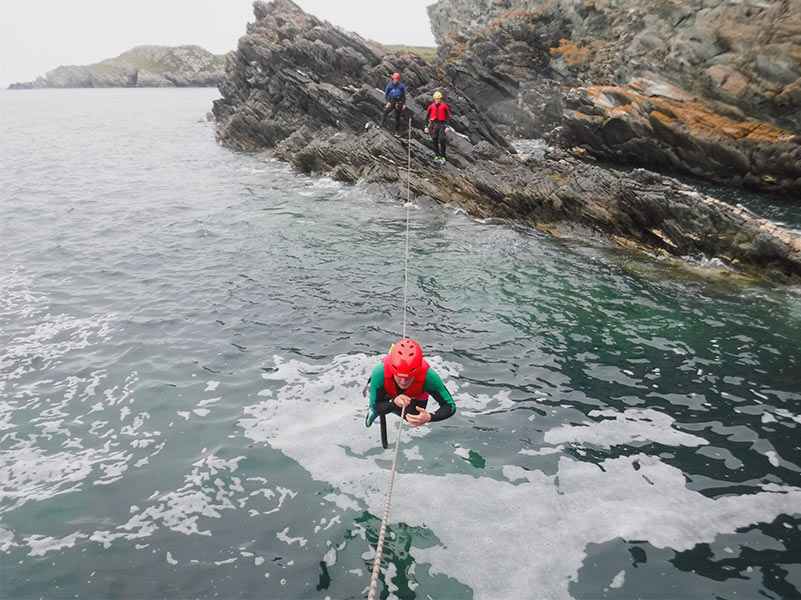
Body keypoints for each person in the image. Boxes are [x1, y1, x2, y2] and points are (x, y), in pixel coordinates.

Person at [365, 339, 455, 430]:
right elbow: (375, 406)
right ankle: (379, 409)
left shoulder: (429, 376)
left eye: (409, 377)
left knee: (413, 418)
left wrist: (430, 417)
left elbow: (450, 405)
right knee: (378, 407)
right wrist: (393, 403)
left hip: (416, 393)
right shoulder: (380, 372)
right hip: (387, 389)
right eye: (399, 376)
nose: (403, 382)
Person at [424, 91, 451, 164]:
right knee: (434, 139)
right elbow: (426, 117)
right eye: (435, 99)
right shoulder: (431, 107)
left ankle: (443, 157)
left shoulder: (444, 106)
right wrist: (426, 126)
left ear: (440, 99)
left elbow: (448, 117)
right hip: (433, 124)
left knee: (442, 140)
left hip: (441, 124)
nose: (437, 100)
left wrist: (447, 126)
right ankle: (437, 155)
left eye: (438, 99)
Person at [380, 72, 407, 137]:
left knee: (397, 118)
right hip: (392, 101)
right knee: (386, 112)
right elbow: (386, 94)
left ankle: (397, 132)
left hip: (399, 102)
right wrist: (387, 102)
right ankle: (381, 125)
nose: (396, 80)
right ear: (393, 79)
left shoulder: (401, 86)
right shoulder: (389, 86)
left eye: (397, 79)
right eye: (395, 79)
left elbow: (404, 96)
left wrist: (404, 104)